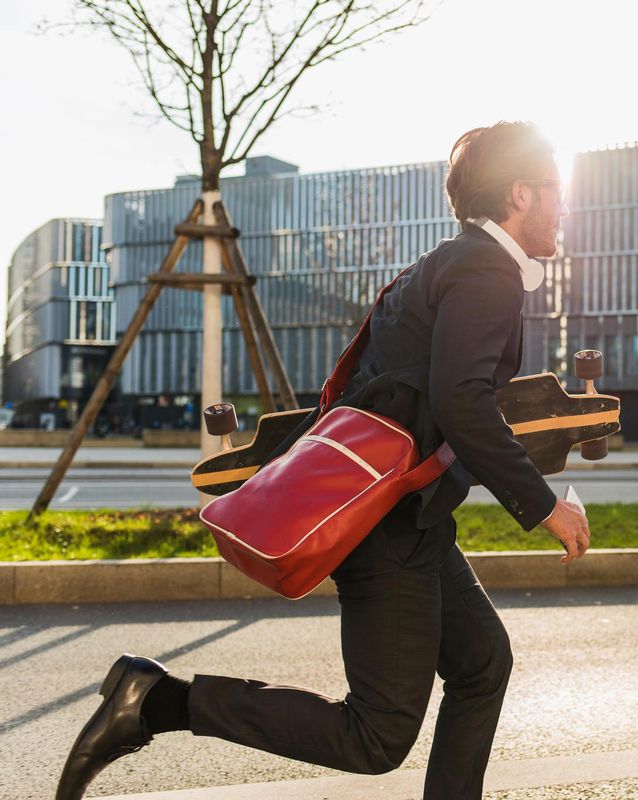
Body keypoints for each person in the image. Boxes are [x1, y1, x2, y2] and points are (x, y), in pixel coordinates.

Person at [56, 121, 591, 800]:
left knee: (482, 663)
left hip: (410, 517)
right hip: (389, 526)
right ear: (520, 193)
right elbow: (462, 401)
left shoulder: (443, 263)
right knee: (376, 736)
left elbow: (411, 397)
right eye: (555, 190)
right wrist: (543, 506)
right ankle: (158, 702)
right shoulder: (486, 274)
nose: (563, 207)